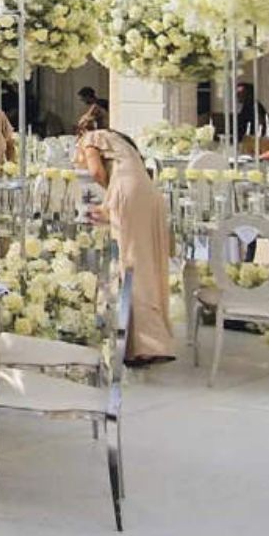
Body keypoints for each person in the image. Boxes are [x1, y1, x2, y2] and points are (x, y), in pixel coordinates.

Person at [79, 128, 175, 366]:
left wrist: (108, 197)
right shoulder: (122, 143)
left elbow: (96, 172)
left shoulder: (91, 138)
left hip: (128, 193)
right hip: (149, 195)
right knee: (148, 265)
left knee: (131, 264)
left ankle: (146, 346)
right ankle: (147, 339)